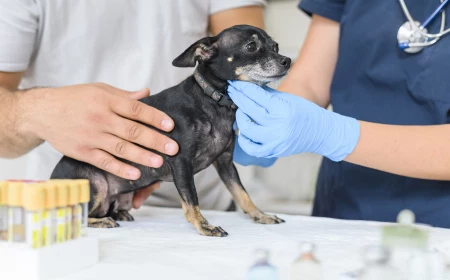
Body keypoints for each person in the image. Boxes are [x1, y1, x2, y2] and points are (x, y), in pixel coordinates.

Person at [0, 0, 269, 211]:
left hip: (208, 206)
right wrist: (39, 110)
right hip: (72, 209)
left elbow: (248, 59)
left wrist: (262, 122)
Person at [228, 0, 450, 228]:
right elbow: (310, 81)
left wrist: (335, 135)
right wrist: (260, 122)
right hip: (342, 211)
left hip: (439, 225)